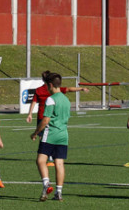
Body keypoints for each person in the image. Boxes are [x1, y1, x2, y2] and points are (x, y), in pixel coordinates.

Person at [26, 70, 89, 166]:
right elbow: (68, 89)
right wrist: (81, 89)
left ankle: (46, 157)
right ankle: (49, 156)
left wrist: (30, 114)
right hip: (50, 118)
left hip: (44, 117)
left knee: (43, 137)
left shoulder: (49, 91)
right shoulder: (45, 90)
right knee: (45, 136)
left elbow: (34, 102)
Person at [31, 73, 71, 202]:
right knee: (59, 163)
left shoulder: (51, 99)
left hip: (51, 134)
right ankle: (59, 193)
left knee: (41, 160)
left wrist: (36, 132)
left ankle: (46, 183)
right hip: (63, 135)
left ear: (50, 85)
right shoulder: (66, 100)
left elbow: (45, 120)